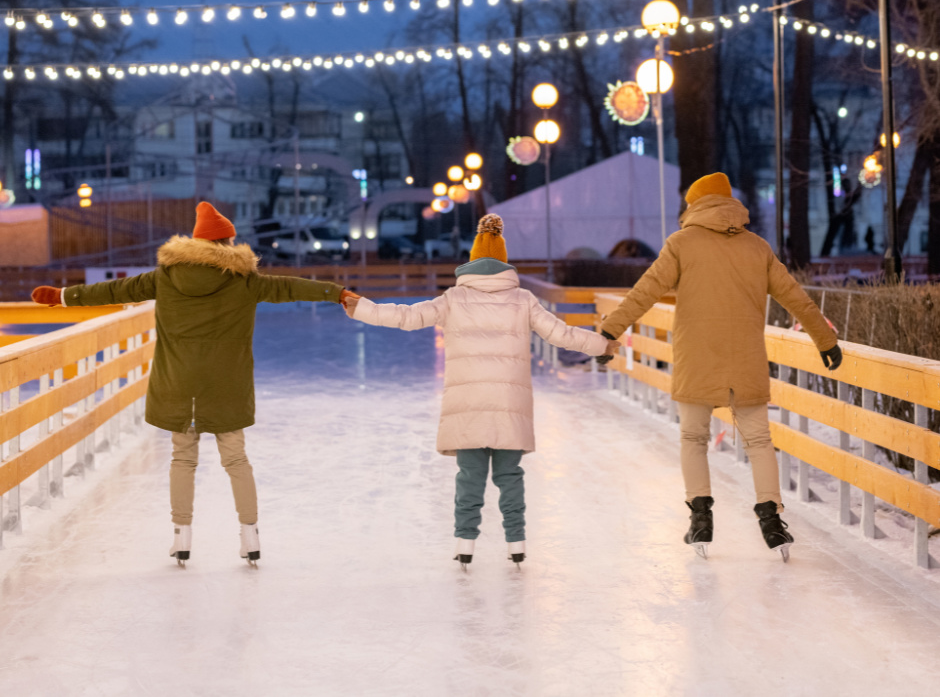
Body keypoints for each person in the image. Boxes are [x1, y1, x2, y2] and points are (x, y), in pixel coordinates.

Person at [31, 202, 357, 566]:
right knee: (236, 459)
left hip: (178, 384)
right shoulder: (245, 281)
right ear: (228, 243)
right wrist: (336, 293)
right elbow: (290, 287)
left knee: (183, 459)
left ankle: (181, 537)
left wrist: (62, 296)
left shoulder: (164, 277)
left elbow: (113, 291)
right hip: (226, 386)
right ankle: (250, 535)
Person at [342, 214, 618, 569]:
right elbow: (562, 334)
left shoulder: (454, 298)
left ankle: (465, 543)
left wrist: (362, 308)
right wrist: (602, 345)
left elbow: (407, 316)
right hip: (509, 405)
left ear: (471, 263)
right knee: (509, 476)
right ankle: (516, 542)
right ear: (504, 264)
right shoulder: (523, 299)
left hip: (468, 404)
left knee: (470, 477)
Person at [599, 173, 841, 562]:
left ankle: (700, 519)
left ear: (695, 205)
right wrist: (825, 341)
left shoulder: (681, 244)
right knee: (759, 441)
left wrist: (610, 330)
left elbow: (645, 291)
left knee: (694, 438)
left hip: (697, 359)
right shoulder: (757, 247)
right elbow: (796, 298)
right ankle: (772, 519)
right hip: (746, 359)